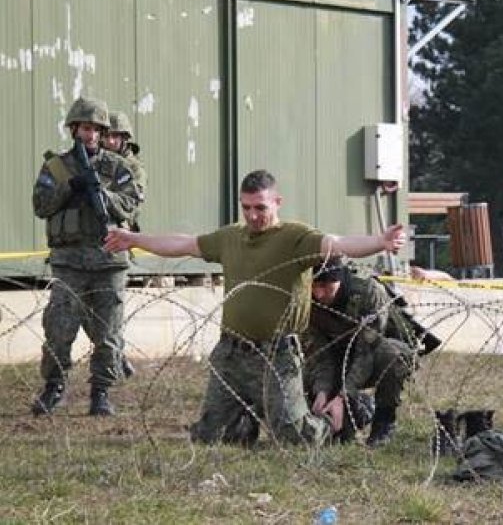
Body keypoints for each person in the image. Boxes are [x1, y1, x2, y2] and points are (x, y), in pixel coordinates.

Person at [103, 169, 406, 447]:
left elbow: (339, 244)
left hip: (276, 355)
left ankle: (347, 416)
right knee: (210, 436)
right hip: (231, 353)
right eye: (246, 207)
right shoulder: (230, 238)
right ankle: (247, 418)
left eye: (260, 207)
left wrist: (380, 241)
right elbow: (182, 244)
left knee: (296, 437)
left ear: (277, 203)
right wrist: (133, 239)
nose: (253, 215)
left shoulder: (295, 238)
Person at [32, 97, 144, 417]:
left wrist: (101, 194)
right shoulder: (56, 167)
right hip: (69, 262)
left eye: (97, 129)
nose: (91, 135)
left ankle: (101, 393)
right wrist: (69, 188)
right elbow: (40, 206)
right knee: (59, 328)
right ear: (74, 130)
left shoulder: (119, 167)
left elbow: (130, 205)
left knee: (108, 334)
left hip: (109, 262)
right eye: (85, 128)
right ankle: (53, 387)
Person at [307, 258, 417, 447]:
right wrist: (322, 391)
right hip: (339, 358)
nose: (319, 293)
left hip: (373, 356)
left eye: (325, 285)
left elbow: (366, 352)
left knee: (392, 354)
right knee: (336, 435)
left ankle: (384, 421)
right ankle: (359, 410)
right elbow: (320, 355)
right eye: (314, 285)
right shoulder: (310, 302)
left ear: (339, 279)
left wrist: (343, 396)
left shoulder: (368, 292)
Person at [102, 110, 147, 379]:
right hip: (89, 245)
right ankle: (117, 354)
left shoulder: (133, 169)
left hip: (118, 242)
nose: (108, 141)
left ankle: (115, 357)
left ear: (124, 139)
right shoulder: (95, 161)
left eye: (114, 136)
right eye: (105, 135)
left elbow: (130, 206)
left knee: (111, 309)